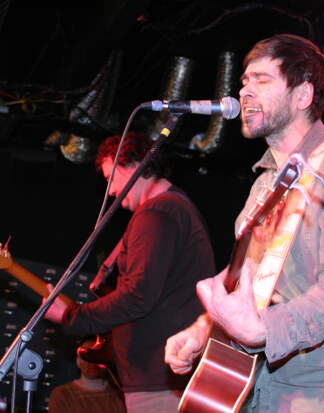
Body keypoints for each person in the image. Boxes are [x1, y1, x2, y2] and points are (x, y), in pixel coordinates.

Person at [165, 34, 324, 412]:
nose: (245, 91)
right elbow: (250, 285)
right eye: (244, 81)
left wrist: (265, 331)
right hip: (258, 394)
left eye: (261, 79)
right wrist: (203, 328)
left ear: (302, 95)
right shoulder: (263, 186)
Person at [44, 131, 216, 412]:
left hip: (157, 381)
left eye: (111, 179)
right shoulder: (172, 209)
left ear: (134, 166)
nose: (110, 191)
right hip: (160, 378)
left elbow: (137, 295)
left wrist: (71, 317)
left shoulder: (157, 214)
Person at [48, 338, 126, 413]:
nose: (91, 362)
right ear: (78, 361)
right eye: (86, 356)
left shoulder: (119, 393)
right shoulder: (63, 395)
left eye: (96, 356)